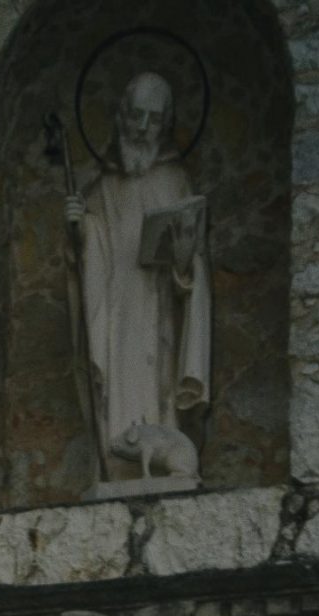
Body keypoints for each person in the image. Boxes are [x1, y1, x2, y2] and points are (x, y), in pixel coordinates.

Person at [66, 67, 211, 484]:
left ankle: (160, 464)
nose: (143, 127)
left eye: (154, 118)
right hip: (115, 310)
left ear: (166, 124)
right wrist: (79, 229)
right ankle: (117, 469)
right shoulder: (102, 188)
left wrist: (183, 262)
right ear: (120, 116)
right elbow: (88, 254)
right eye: (136, 115)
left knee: (156, 385)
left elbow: (195, 262)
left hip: (160, 309)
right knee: (115, 387)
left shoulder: (175, 180)